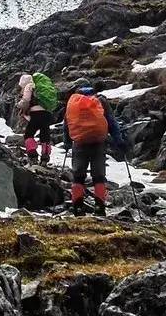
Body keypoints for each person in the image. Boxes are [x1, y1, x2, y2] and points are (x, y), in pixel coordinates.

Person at [63, 79, 127, 217]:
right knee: (98, 176)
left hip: (79, 143)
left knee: (78, 176)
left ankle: (78, 208)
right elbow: (111, 122)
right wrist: (119, 141)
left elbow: (67, 123)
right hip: (98, 142)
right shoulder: (100, 101)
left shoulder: (73, 102)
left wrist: (67, 142)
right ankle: (99, 208)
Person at [18, 72, 57, 165]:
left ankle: (33, 155)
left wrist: (19, 104)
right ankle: (45, 157)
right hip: (47, 114)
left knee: (28, 134)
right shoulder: (39, 87)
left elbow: (26, 100)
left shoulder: (29, 86)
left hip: (36, 114)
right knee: (45, 135)